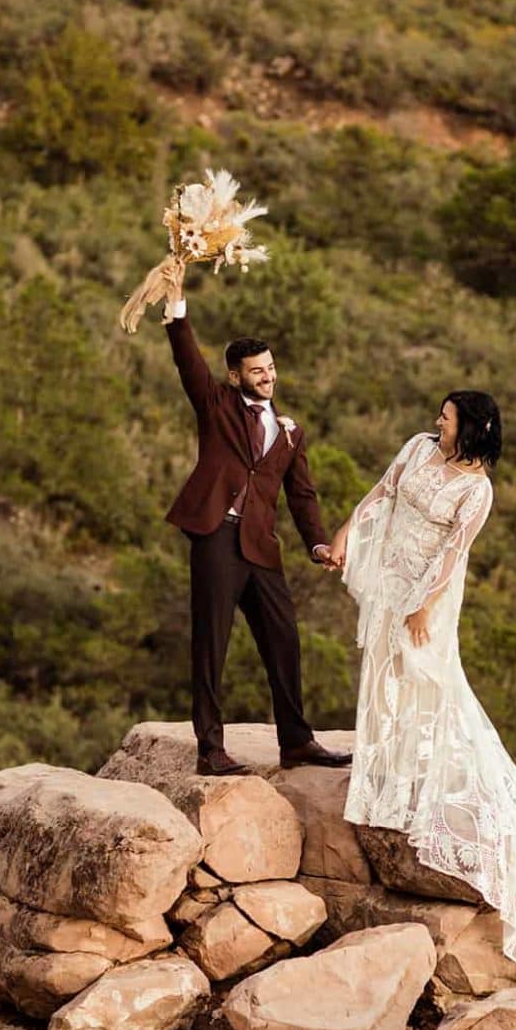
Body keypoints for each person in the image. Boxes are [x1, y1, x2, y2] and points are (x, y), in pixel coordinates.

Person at [327, 392, 516, 975]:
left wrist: (423, 605)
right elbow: (383, 492)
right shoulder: (419, 449)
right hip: (392, 577)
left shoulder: (478, 491)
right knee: (383, 671)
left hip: (429, 593)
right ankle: (386, 765)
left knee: (425, 678)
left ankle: (417, 771)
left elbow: (452, 553)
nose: (436, 421)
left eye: (446, 416)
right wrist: (347, 535)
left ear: (469, 428)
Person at [162, 268, 351, 776]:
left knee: (284, 639)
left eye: (270, 368)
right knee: (211, 643)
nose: (268, 376)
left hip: (260, 546)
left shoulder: (291, 432)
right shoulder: (215, 403)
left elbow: (302, 495)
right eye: (257, 371)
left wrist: (316, 545)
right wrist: (177, 310)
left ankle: (297, 741)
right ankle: (210, 750)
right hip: (216, 536)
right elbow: (187, 362)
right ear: (235, 375)